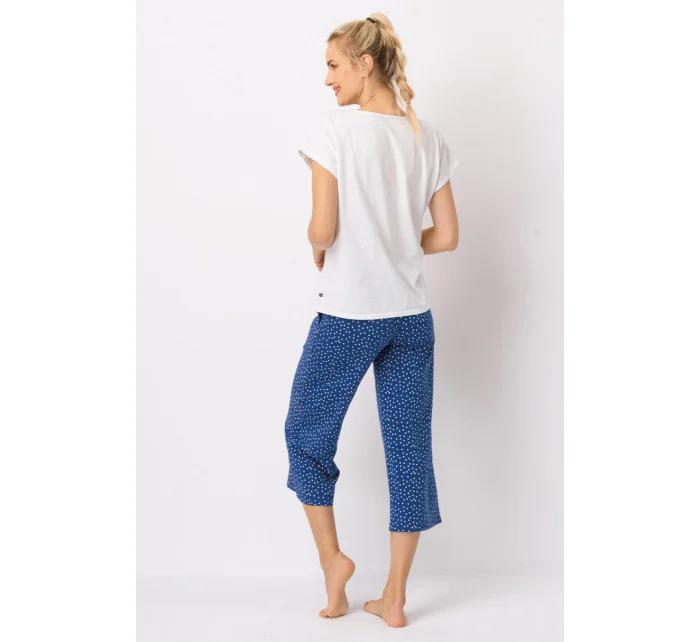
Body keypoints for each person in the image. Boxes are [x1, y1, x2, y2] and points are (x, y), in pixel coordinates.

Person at [284, 12, 459, 629]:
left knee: (306, 434)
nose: (327, 79)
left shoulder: (333, 131)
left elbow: (323, 226)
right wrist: (395, 241)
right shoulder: (426, 136)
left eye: (334, 65)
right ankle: (395, 597)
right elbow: (447, 236)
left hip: (350, 314)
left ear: (366, 64)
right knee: (409, 452)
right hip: (411, 317)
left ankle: (333, 562)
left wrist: (317, 244)